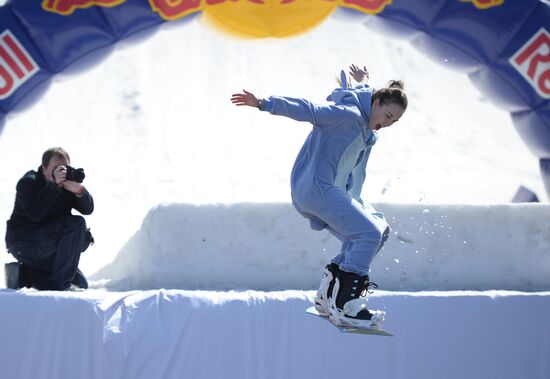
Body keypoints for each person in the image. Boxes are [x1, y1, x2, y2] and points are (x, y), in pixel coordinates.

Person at [231, 65, 407, 328]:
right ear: (377, 103)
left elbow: (361, 93)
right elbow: (309, 110)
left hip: (322, 191)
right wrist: (264, 103)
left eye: (394, 121)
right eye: (388, 115)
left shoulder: (363, 117)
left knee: (378, 231)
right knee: (366, 234)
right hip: (318, 190)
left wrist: (362, 80)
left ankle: (328, 296)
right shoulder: (347, 115)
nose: (388, 124)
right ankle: (347, 304)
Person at [4, 147, 94, 291]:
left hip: (47, 249)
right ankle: (60, 287)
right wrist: (52, 186)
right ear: (44, 168)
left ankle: (22, 275)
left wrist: (80, 192)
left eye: (65, 168)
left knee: (81, 283)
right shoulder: (28, 183)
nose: (62, 172)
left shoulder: (66, 184)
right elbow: (35, 215)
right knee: (77, 224)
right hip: (24, 243)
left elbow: (88, 209)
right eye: (56, 168)